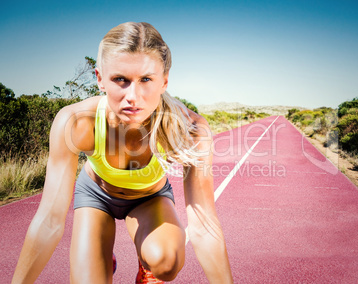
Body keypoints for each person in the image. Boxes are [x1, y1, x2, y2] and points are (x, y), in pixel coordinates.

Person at [12, 22, 233, 283]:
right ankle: (103, 259)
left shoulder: (191, 129)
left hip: (149, 199)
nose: (133, 96)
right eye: (121, 80)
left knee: (167, 260)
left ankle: (147, 266)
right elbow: (49, 220)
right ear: (100, 79)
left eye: (146, 80)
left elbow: (204, 226)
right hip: (97, 196)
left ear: (164, 81)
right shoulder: (76, 123)